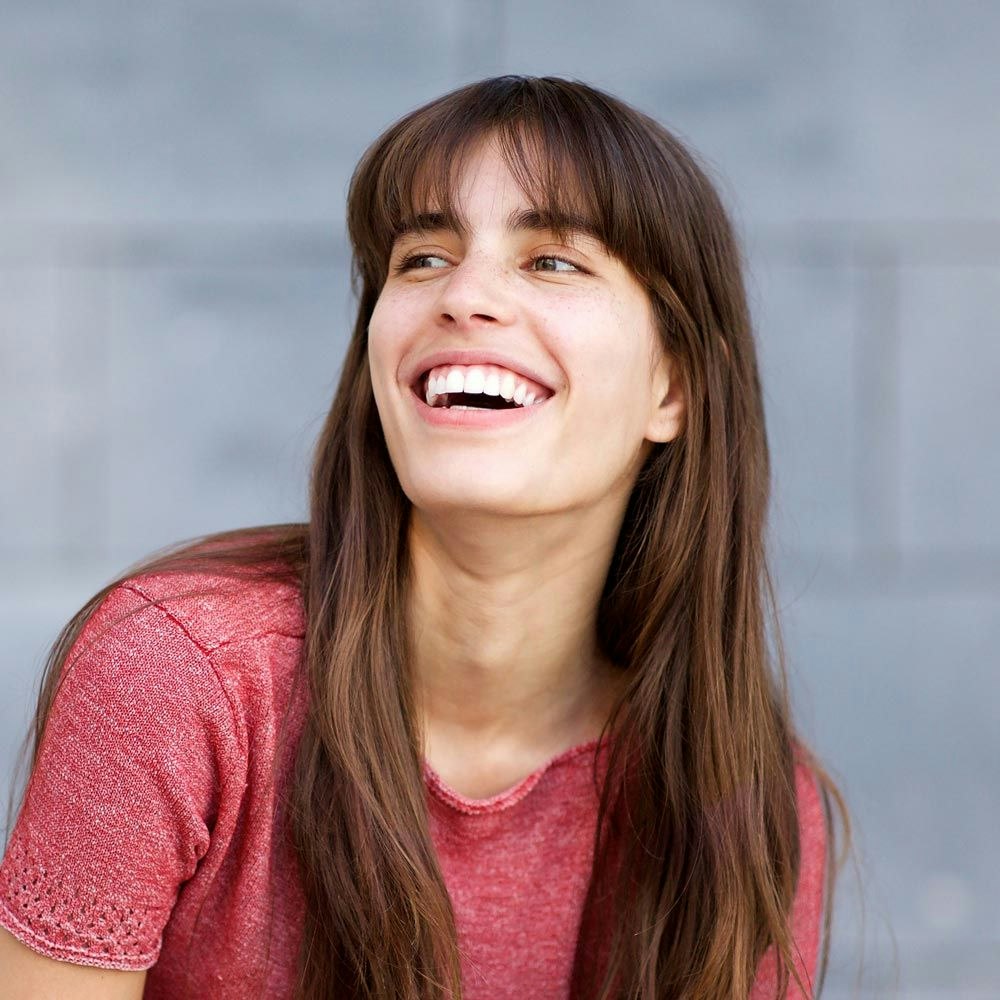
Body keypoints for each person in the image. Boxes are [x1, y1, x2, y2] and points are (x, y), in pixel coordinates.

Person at [0, 75, 850, 999]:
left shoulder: (745, 807)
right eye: (422, 258)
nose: (465, 295)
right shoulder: (176, 674)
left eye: (553, 260)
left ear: (673, 390)